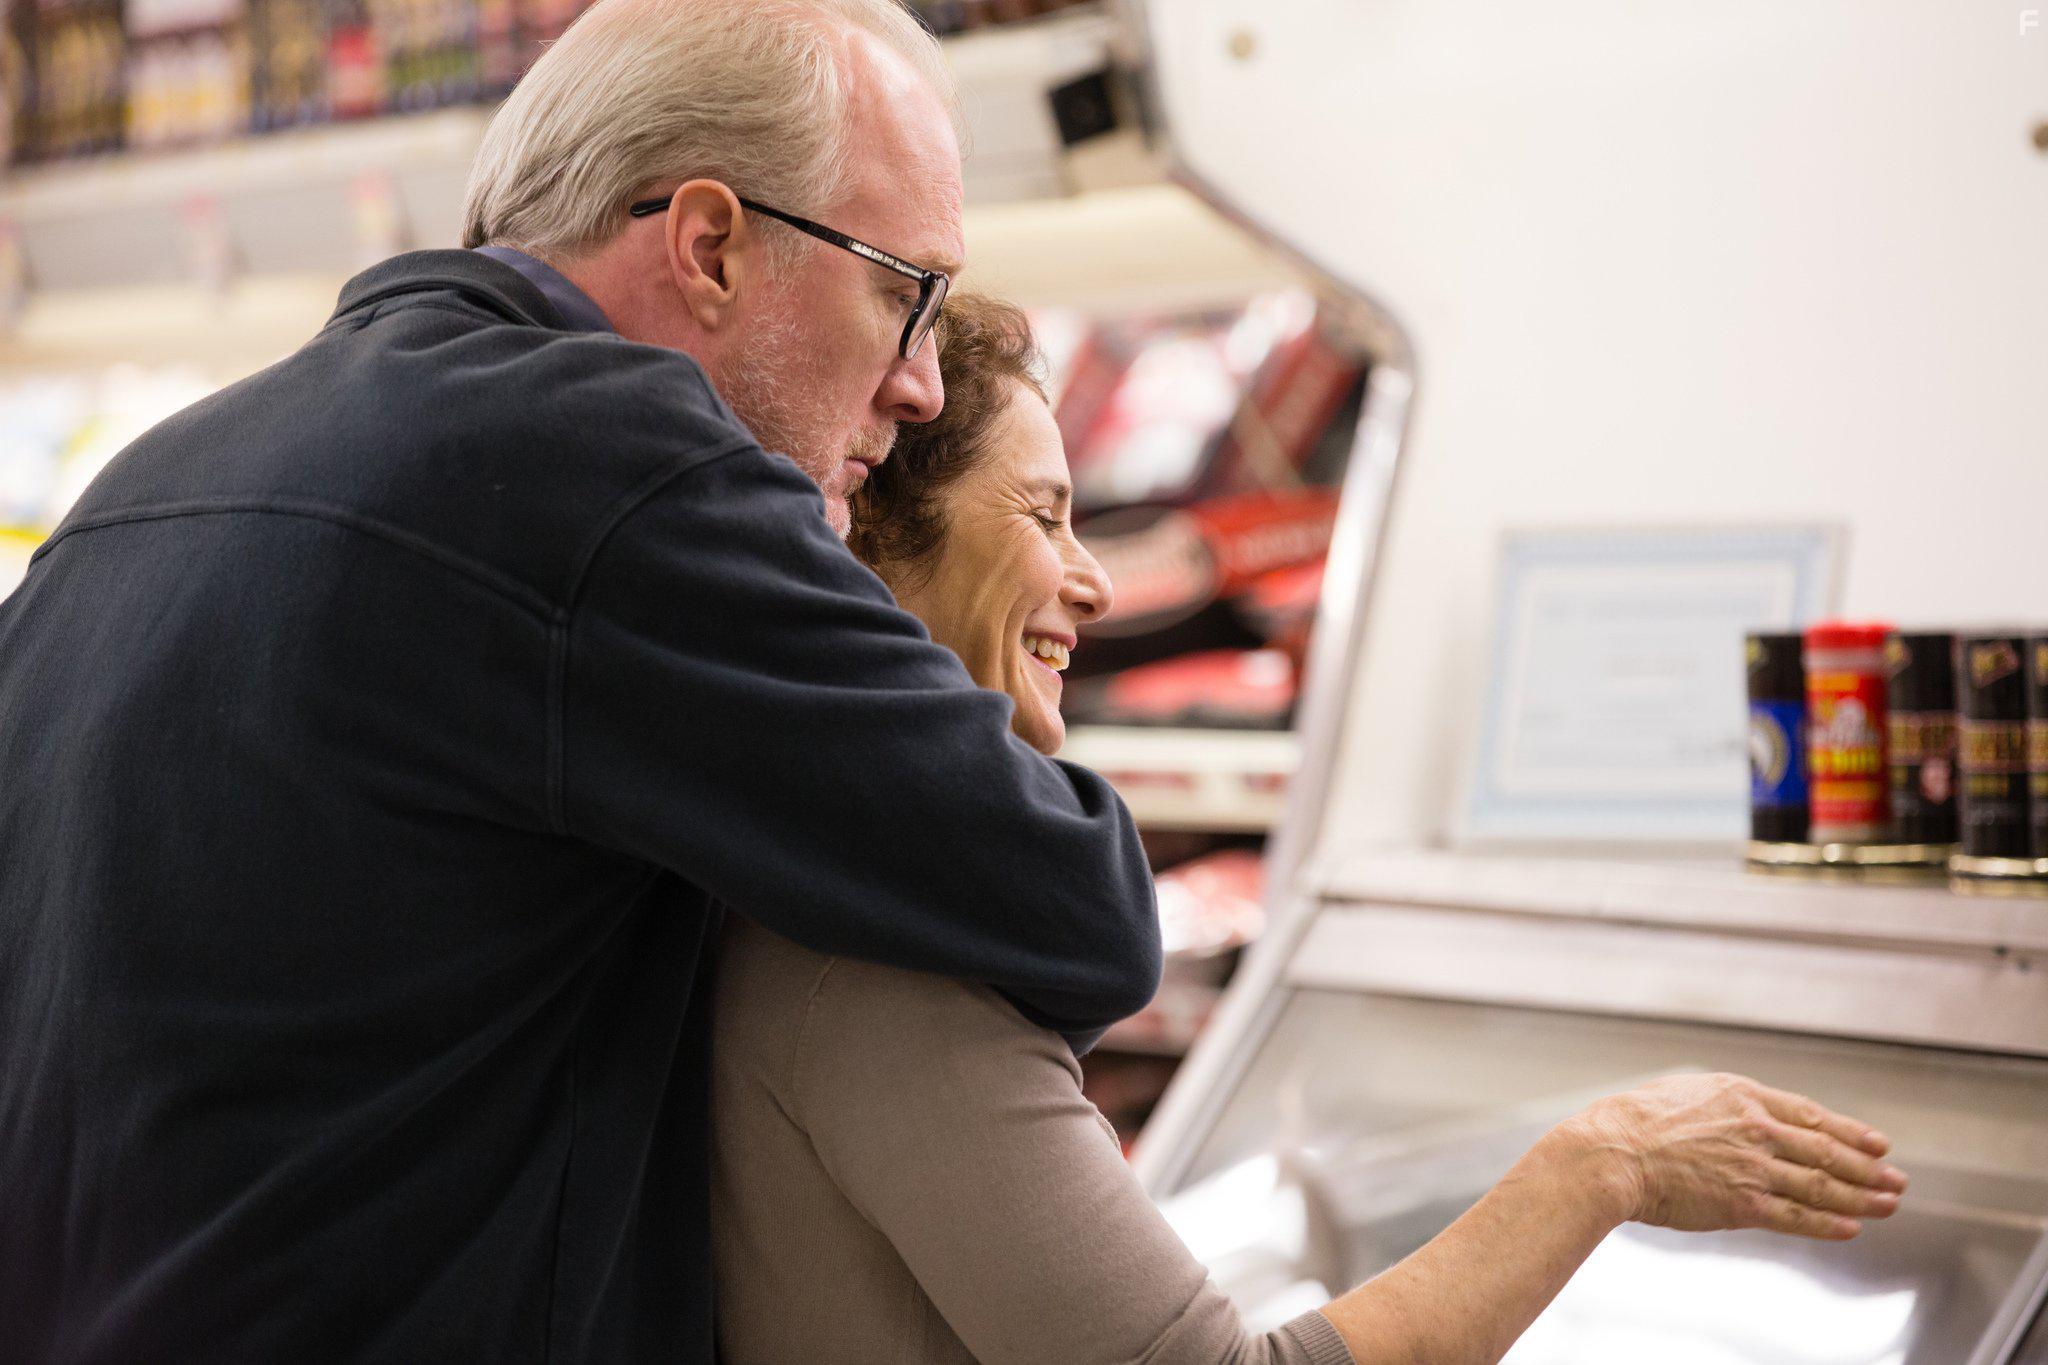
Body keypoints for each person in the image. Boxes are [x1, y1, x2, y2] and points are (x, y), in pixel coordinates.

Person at [0, 4, 1164, 1360]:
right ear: (712, 246)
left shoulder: (145, 485)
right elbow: (1074, 901)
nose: (917, 386)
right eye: (905, 292)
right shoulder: (606, 466)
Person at [710, 295, 1911, 1365]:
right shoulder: (886, 963)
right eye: (1044, 515)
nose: (1096, 582)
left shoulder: (833, 881)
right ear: (868, 546)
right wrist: (1605, 1164)